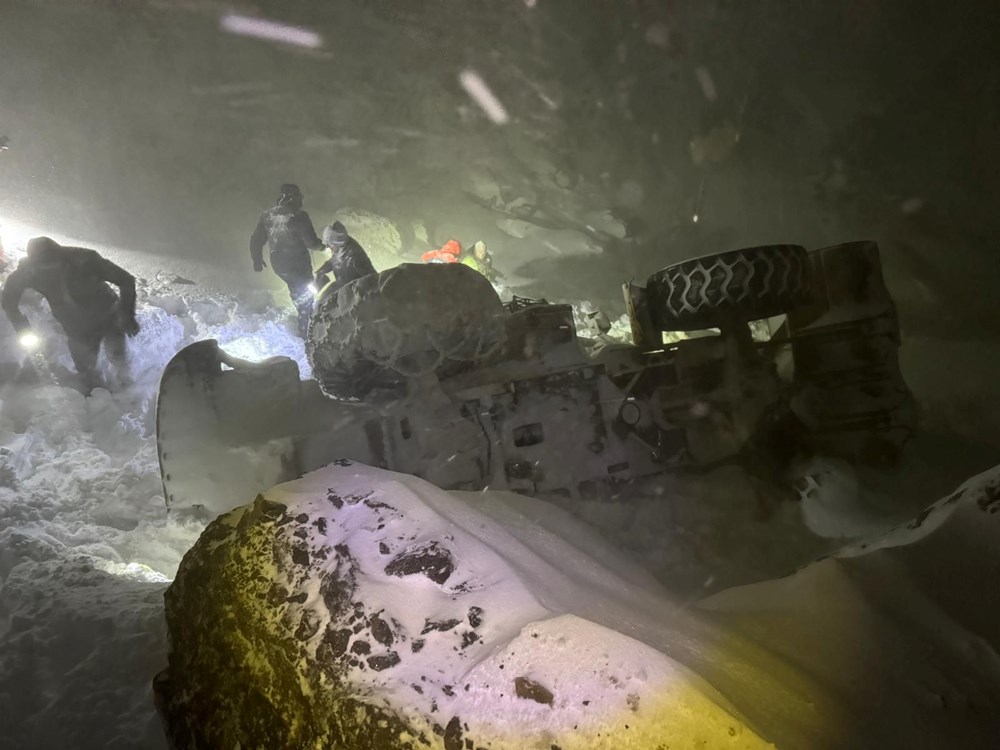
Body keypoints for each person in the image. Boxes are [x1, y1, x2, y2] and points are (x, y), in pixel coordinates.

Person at [2, 236, 139, 390]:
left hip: (108, 314)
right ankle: (96, 394)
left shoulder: (86, 260)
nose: (50, 272)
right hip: (76, 326)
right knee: (85, 368)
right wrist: (22, 327)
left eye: (53, 265)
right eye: (44, 268)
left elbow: (126, 280)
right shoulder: (29, 272)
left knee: (117, 353)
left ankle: (126, 384)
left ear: (60, 257)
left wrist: (127, 313)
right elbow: (8, 300)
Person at [249, 183, 323, 336]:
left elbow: (256, 239)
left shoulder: (267, 216)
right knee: (305, 294)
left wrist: (257, 258)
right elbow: (311, 243)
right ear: (293, 197)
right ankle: (307, 330)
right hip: (298, 264)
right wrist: (323, 247)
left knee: (297, 290)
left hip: (279, 265)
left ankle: (305, 318)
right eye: (298, 196)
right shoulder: (299, 216)